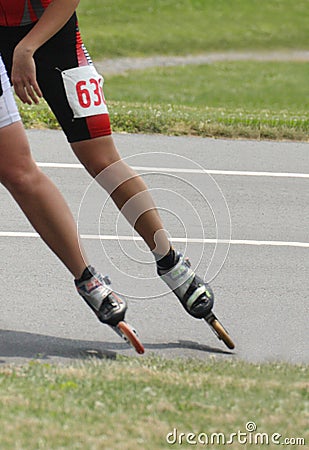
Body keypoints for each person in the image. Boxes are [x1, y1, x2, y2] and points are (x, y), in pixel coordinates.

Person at [0, 0, 214, 334]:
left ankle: (170, 261)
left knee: (103, 160)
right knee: (13, 169)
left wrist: (26, 48)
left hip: (50, 35)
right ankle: (87, 279)